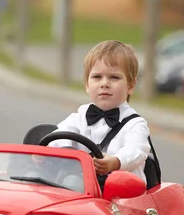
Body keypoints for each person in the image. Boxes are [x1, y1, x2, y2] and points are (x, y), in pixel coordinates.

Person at [47, 40, 151, 188]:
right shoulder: (80, 116)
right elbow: (60, 135)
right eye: (97, 77)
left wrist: (115, 162)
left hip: (121, 195)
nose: (104, 83)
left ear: (131, 85)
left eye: (114, 77)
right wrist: (49, 153)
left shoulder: (135, 125)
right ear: (87, 85)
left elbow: (136, 151)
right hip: (80, 189)